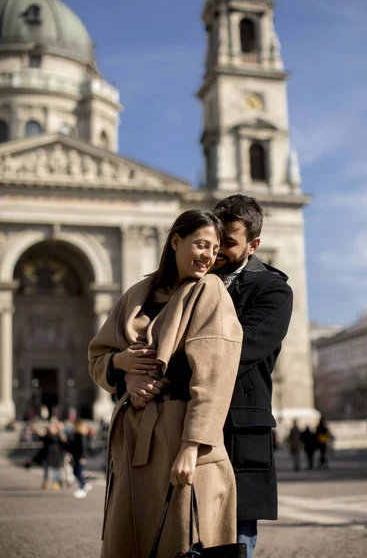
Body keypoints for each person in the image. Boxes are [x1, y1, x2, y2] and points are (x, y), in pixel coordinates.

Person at [126, 195, 294, 558]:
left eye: (228, 243)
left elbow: (234, 353)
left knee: (229, 541)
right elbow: (141, 337)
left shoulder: (273, 291)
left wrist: (157, 372)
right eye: (212, 241)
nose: (215, 252)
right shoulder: (188, 282)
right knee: (175, 536)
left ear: (254, 245)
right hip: (176, 426)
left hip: (235, 431)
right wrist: (127, 371)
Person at [88, 210, 243, 558]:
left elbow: (213, 377)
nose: (208, 255)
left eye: (214, 248)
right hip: (133, 439)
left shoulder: (210, 291)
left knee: (180, 539)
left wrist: (192, 446)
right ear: (176, 241)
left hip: (180, 434)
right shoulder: (135, 295)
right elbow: (96, 358)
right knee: (132, 537)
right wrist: (121, 366)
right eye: (200, 244)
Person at [68, 419, 92, 498]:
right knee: (75, 471)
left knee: (78, 472)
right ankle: (84, 484)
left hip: (80, 457)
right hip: (76, 456)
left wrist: (82, 457)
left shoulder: (81, 435)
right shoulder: (76, 434)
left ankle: (83, 488)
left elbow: (83, 447)